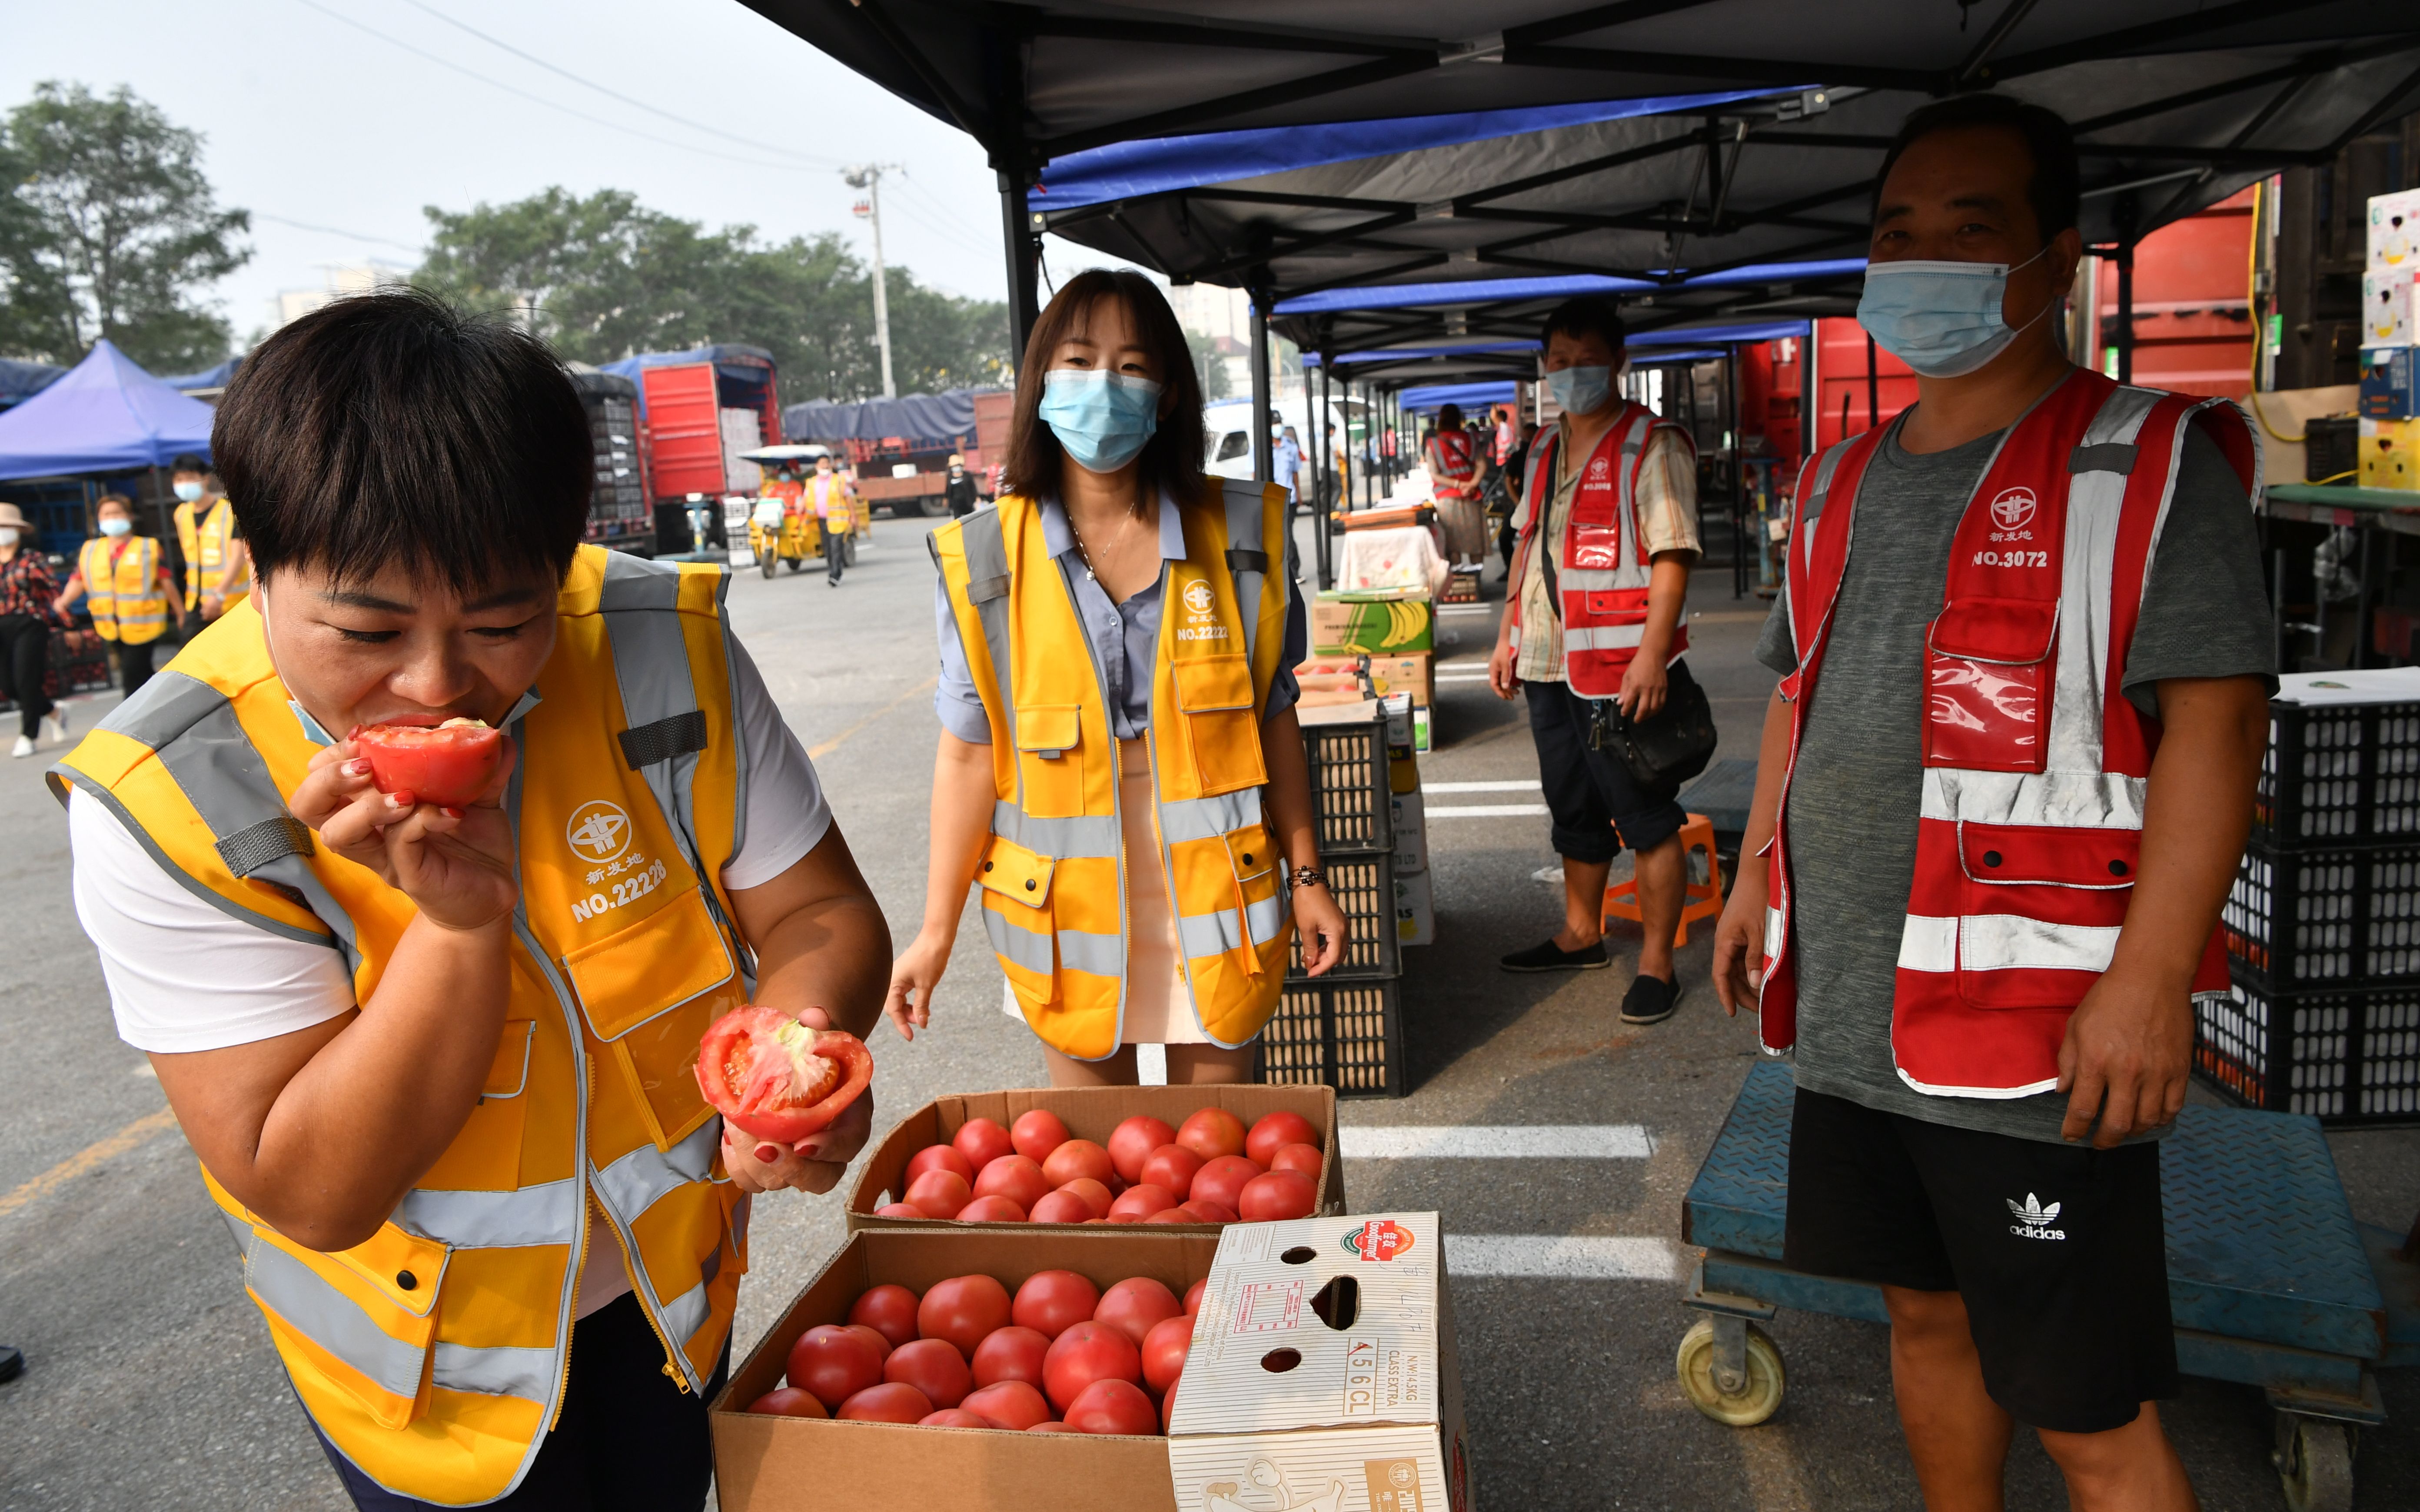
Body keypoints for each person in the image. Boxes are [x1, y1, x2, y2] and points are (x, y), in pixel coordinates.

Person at [53, 289, 889, 1511]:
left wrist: (794, 1054)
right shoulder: (172, 796)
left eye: (504, 621)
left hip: (677, 1309)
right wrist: (456, 928)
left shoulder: (659, 645)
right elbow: (313, 1185)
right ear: (251, 563)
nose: (439, 681)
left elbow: (820, 911)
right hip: (431, 1390)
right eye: (365, 627)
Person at [1710, 96, 2271, 1512]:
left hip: (2030, 1031)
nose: (1923, 260)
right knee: (1921, 1315)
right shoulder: (1834, 479)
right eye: (1896, 232)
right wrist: (1745, 882)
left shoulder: (2142, 462)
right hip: (1851, 1008)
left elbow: (2216, 719)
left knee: (2085, 1407)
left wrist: (2150, 979)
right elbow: (1797, 692)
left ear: (2055, 260)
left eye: (1969, 230)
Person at [887, 268, 1347, 1087]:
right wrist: (933, 929)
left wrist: (1307, 872)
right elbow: (965, 755)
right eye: (1077, 359)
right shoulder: (984, 557)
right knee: (1093, 1172)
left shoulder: (1244, 534)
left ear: (1167, 394)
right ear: (1039, 383)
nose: (1103, 384)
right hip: (1066, 918)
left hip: (1218, 905)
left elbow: (1275, 718)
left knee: (1213, 1160)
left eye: (1132, 366)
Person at [1486, 299, 1701, 1025]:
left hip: (1618, 667)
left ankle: (1656, 963)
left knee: (1644, 813)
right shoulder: (1544, 447)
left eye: (1584, 360)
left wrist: (1651, 653)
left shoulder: (1651, 442)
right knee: (1572, 806)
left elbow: (1671, 552)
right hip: (1549, 661)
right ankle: (1581, 933)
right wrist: (1506, 634)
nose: (1569, 374)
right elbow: (1527, 545)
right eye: (1557, 362)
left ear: (1618, 360)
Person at [55, 493, 186, 700]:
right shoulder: (90, 550)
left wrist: (181, 613)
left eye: (117, 513)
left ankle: (131, 721)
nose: (112, 518)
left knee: (132, 674)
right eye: (107, 514)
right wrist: (63, 602)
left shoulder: (147, 547)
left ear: (129, 516)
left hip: (143, 623)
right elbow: (79, 579)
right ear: (99, 519)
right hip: (110, 624)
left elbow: (166, 581)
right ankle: (162, 704)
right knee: (140, 673)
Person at [0, 502, 70, 759]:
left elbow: (53, 592)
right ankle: (52, 711)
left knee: (26, 679)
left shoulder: (32, 559)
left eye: (5, 526)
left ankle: (28, 735)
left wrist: (68, 623)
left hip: (29, 624)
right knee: (8, 685)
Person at [169, 455, 248, 624]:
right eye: (179, 480)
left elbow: (239, 556)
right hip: (196, 600)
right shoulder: (181, 514)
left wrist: (219, 595)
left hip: (229, 601)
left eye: (190, 478)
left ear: (205, 479)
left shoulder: (229, 511)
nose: (184, 484)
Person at [1423, 403, 1487, 566]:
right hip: (1472, 497)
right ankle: (1477, 582)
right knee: (1475, 545)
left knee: (1453, 546)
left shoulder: (1433, 443)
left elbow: (1434, 474)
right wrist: (1472, 484)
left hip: (1448, 499)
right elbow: (1482, 464)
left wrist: (1458, 485)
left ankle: (1459, 583)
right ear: (1459, 419)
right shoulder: (1471, 439)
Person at [805, 453, 856, 586]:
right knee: (827, 549)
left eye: (827, 463)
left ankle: (835, 575)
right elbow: (806, 499)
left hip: (838, 521)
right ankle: (835, 570)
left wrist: (853, 516)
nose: (825, 466)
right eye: (822, 463)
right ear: (817, 466)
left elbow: (848, 498)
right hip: (822, 521)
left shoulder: (838, 480)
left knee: (836, 548)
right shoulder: (812, 483)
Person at [944, 452, 980, 517]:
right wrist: (946, 498)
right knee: (957, 520)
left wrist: (977, 497)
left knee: (969, 518)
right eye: (954, 466)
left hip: (968, 502)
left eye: (957, 465)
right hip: (956, 504)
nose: (956, 467)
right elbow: (948, 489)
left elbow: (973, 487)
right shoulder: (950, 477)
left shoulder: (967, 475)